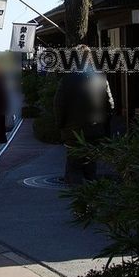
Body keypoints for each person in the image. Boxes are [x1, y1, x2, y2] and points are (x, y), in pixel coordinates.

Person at [55, 50, 113, 184]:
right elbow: (110, 105)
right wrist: (104, 125)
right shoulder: (101, 78)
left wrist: (60, 125)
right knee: (90, 165)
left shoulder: (68, 79)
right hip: (95, 129)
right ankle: (90, 197)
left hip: (73, 132)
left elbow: (59, 105)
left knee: (74, 166)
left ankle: (77, 197)